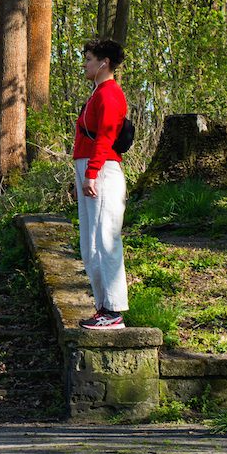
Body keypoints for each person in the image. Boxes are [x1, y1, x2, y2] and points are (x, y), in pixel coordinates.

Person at [74, 37, 129, 331]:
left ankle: (114, 310)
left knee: (106, 240)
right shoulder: (98, 93)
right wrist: (82, 175)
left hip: (104, 170)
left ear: (104, 63)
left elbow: (106, 137)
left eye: (89, 58)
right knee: (90, 243)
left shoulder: (109, 94)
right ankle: (103, 307)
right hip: (91, 168)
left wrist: (92, 173)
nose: (85, 64)